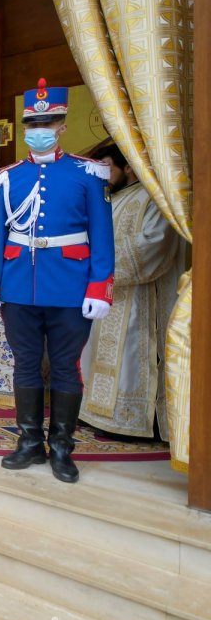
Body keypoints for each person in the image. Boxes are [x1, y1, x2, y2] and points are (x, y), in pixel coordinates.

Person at [0, 78, 114, 483]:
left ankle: (62, 447)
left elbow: (102, 236)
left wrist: (99, 286)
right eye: (32, 123)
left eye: (48, 121)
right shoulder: (7, 178)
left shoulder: (88, 174)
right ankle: (29, 442)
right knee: (25, 365)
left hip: (71, 286)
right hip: (19, 285)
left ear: (62, 126)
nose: (39, 129)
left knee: (67, 367)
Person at [79, 144, 181, 440]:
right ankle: (99, 413)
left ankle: (136, 421)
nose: (103, 176)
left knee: (133, 353)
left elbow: (154, 244)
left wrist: (97, 264)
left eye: (108, 168)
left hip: (140, 299)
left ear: (128, 167)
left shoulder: (155, 198)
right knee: (99, 353)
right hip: (105, 298)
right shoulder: (108, 201)